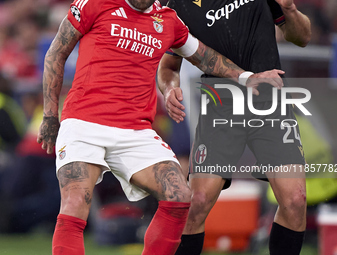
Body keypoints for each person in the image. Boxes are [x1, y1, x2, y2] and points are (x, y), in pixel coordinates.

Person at [36, 0, 284, 254]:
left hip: (135, 130)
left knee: (178, 196)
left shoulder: (168, 20)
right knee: (75, 202)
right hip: (84, 123)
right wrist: (49, 115)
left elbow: (205, 57)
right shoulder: (95, 4)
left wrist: (246, 77)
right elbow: (57, 51)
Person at [157, 0, 311, 254]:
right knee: (197, 203)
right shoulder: (179, 6)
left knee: (295, 201)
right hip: (220, 105)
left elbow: (302, 37)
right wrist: (170, 88)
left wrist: (290, 10)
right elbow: (169, 66)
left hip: (270, 102)